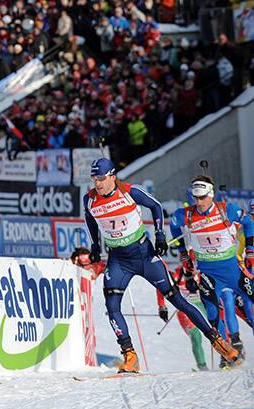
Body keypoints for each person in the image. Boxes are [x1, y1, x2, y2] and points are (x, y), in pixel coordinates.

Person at [72, 159, 239, 372]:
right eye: (95, 179)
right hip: (119, 260)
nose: (98, 183)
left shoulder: (129, 192)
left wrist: (160, 235)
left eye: (102, 178)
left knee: (177, 299)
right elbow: (89, 218)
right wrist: (95, 244)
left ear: (112, 176)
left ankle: (218, 341)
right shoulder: (89, 200)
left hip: (144, 255)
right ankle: (130, 355)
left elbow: (155, 206)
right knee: (112, 306)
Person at [169, 176, 254, 366]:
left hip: (232, 271)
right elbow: (174, 226)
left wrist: (250, 252)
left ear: (211, 195)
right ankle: (227, 354)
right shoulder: (186, 214)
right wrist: (183, 253)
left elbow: (249, 223)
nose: (198, 202)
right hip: (208, 274)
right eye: (195, 197)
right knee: (213, 316)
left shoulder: (227, 210)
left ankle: (237, 342)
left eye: (202, 197)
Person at [155, 264, 209, 371]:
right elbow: (161, 287)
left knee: (216, 327)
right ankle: (202, 366)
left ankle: (227, 358)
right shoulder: (176, 275)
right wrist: (162, 306)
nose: (193, 268)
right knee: (196, 335)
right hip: (185, 309)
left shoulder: (201, 273)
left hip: (201, 305)